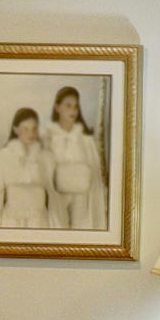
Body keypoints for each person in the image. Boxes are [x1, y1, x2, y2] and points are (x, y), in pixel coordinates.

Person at [44, 84, 107, 231]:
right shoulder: (48, 138)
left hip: (82, 201)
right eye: (68, 105)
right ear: (57, 107)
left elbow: (95, 176)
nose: (73, 110)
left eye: (76, 106)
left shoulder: (85, 141)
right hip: (56, 199)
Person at [0, 107, 52, 228]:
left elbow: (54, 196)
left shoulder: (46, 158)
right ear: (15, 130)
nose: (31, 134)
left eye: (34, 129)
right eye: (25, 129)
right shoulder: (0, 158)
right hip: (11, 223)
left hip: (40, 223)